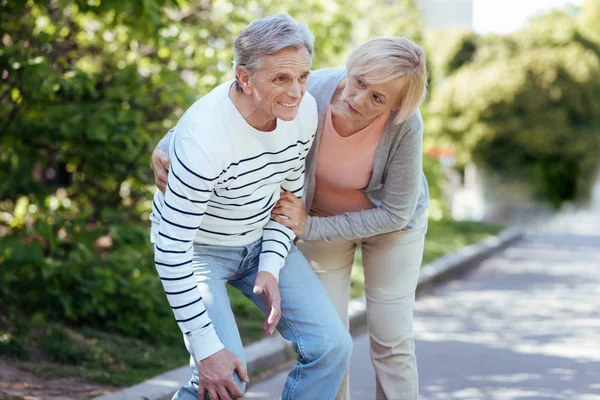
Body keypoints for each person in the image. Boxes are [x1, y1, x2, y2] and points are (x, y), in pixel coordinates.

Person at [154, 37, 429, 400]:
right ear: (352, 67)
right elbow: (231, 104)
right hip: (315, 219)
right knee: (332, 343)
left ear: (395, 106)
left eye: (378, 98)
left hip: (388, 224)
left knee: (391, 339)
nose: (358, 99)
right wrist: (168, 143)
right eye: (359, 82)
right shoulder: (309, 89)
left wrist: (305, 228)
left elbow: (396, 212)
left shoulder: (404, 126)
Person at [150, 14, 352, 400]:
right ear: (244, 78)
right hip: (198, 252)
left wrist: (271, 266)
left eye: (303, 77)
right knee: (225, 379)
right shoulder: (204, 139)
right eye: (281, 79)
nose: (296, 92)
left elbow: (286, 203)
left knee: (332, 346)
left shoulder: (304, 111)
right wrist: (208, 351)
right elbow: (171, 248)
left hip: (259, 238)